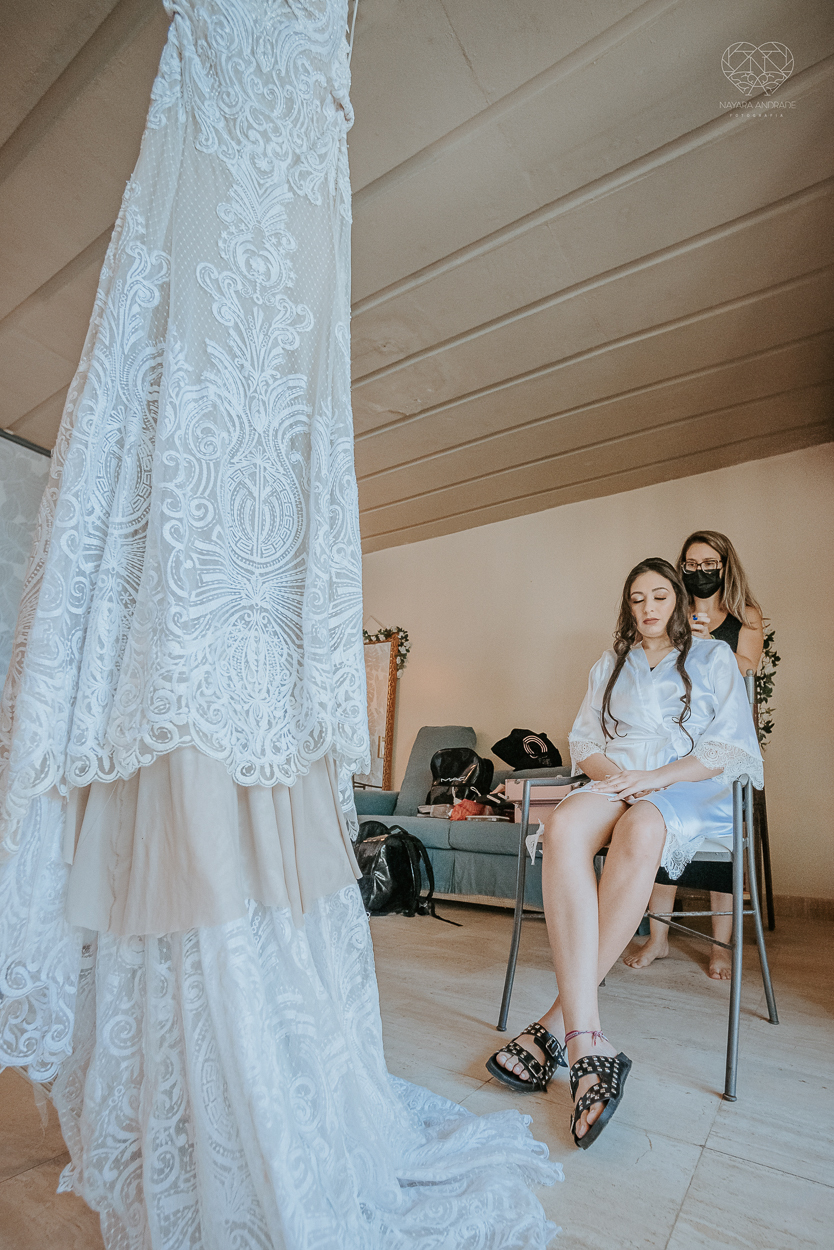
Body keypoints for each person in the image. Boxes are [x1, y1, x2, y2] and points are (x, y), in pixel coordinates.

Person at [0, 4, 561, 1246]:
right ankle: (185, 1090)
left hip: (293, 236)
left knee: (269, 461)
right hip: (215, 186)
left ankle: (240, 1088)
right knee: (192, 462)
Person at [486, 557, 762, 1149]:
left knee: (641, 828)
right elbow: (585, 740)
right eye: (637, 599)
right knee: (562, 828)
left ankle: (559, 1028)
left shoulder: (713, 658)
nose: (648, 608)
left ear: (679, 601)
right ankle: (590, 1043)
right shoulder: (609, 664)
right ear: (627, 606)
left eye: (659, 595)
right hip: (619, 778)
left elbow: (731, 747)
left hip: (688, 783)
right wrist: (617, 776)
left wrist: (658, 778)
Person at [624, 531, 764, 978]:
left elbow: (747, 677)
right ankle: (659, 937)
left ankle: (720, 946)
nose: (700, 572)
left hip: (721, 747)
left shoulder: (746, 617)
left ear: (725, 566)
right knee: (661, 824)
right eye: (691, 563)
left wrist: (711, 648)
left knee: (723, 844)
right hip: (675, 748)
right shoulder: (672, 612)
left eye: (710, 564)